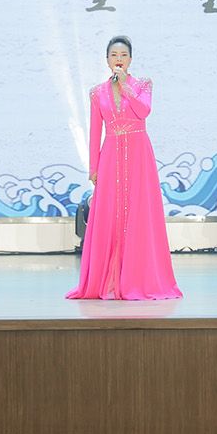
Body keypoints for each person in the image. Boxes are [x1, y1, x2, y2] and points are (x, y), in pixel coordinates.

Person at [68, 36, 181, 300]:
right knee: (111, 214)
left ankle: (138, 279)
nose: (118, 59)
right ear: (107, 60)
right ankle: (109, 280)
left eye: (123, 55)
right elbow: (95, 131)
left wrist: (125, 86)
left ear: (130, 59)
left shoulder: (143, 85)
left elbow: (144, 111)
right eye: (114, 55)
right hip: (111, 155)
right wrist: (94, 167)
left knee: (139, 213)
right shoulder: (97, 93)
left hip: (139, 154)